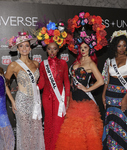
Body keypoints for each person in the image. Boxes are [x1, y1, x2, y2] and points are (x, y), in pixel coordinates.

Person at [55, 11, 107, 150]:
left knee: (87, 134)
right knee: (73, 133)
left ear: (90, 49)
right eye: (81, 48)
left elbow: (101, 81)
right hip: (74, 100)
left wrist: (88, 89)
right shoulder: (76, 62)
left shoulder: (90, 63)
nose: (83, 50)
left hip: (85, 102)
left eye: (86, 48)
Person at [5, 32, 45, 150]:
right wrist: (12, 101)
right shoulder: (13, 65)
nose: (24, 48)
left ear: (30, 47)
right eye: (21, 46)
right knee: (24, 132)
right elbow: (5, 85)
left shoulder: (36, 63)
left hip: (35, 102)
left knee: (35, 132)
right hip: (21, 102)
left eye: (27, 45)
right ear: (17, 48)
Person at [35, 20, 70, 150]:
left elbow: (66, 82)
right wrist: (33, 88)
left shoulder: (64, 63)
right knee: (49, 123)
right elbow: (42, 83)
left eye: (55, 49)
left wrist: (67, 98)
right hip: (47, 98)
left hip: (60, 98)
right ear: (46, 49)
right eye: (49, 49)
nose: (52, 51)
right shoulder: (43, 64)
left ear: (59, 49)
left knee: (59, 123)